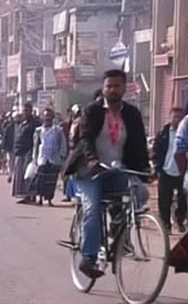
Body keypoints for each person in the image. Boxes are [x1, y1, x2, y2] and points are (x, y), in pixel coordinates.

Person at [63, 69, 150, 278]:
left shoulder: (132, 114)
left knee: (140, 193)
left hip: (117, 170)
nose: (112, 90)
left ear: (124, 88)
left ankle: (119, 236)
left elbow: (139, 143)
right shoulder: (92, 111)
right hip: (89, 171)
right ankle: (89, 257)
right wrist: (92, 159)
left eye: (117, 86)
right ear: (103, 88)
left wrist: (145, 167)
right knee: (92, 209)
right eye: (109, 86)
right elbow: (84, 138)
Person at [152, 105, 186, 233]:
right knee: (164, 201)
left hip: (181, 171)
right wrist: (156, 166)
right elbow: (156, 150)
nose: (177, 120)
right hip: (165, 171)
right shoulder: (163, 133)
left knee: (182, 200)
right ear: (170, 117)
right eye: (175, 117)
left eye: (180, 117)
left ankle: (179, 221)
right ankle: (166, 226)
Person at [31, 108, 67, 206]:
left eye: (49, 116)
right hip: (42, 158)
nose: (47, 118)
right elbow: (35, 145)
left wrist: (62, 155)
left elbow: (62, 144)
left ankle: (50, 199)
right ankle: (40, 198)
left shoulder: (58, 130)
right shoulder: (38, 131)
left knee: (51, 181)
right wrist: (34, 158)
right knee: (40, 180)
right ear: (42, 117)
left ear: (52, 117)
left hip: (54, 159)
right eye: (45, 116)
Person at [12, 103, 40, 202]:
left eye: (27, 110)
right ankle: (25, 195)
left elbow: (37, 139)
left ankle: (29, 196)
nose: (25, 112)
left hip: (29, 152)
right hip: (20, 152)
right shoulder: (22, 123)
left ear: (31, 111)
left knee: (29, 174)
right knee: (21, 174)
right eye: (24, 110)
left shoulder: (34, 124)